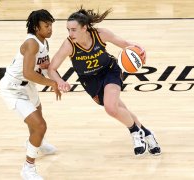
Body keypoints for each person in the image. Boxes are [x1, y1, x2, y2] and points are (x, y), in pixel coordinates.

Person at [48, 7, 161, 156]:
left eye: (74, 30)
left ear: (85, 27)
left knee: (111, 108)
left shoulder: (100, 34)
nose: (70, 34)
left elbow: (125, 44)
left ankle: (135, 132)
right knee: (118, 108)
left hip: (109, 71)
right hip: (90, 81)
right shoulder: (69, 45)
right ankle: (146, 133)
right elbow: (51, 69)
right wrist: (59, 80)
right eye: (68, 30)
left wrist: (140, 51)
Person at [0, 9, 61, 180]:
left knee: (36, 121)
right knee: (40, 126)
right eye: (46, 26)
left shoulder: (43, 42)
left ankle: (37, 144)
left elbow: (43, 65)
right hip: (13, 89)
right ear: (36, 27)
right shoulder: (32, 43)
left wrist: (57, 78)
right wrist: (51, 83)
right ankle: (28, 168)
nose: (50, 29)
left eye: (50, 25)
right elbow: (28, 73)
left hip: (28, 87)